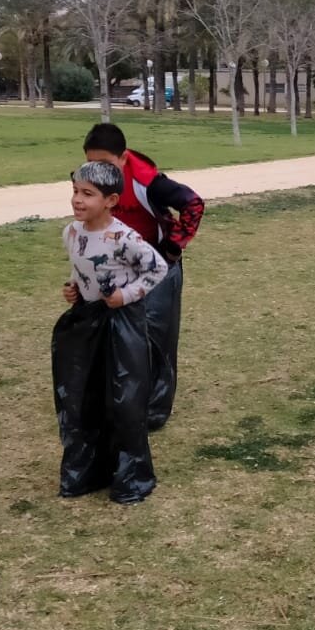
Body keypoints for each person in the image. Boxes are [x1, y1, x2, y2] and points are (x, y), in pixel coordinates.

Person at [53, 161, 168, 503]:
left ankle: (130, 476)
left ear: (111, 200)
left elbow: (156, 269)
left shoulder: (125, 239)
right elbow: (81, 266)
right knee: (84, 394)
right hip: (87, 322)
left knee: (123, 398)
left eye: (87, 194)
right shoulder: (71, 233)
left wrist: (125, 296)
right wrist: (74, 289)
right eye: (75, 191)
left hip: (121, 324)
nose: (77, 200)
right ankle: (89, 470)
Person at [82, 123, 205, 431]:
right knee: (115, 335)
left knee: (156, 338)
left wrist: (171, 249)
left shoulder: (146, 181)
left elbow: (193, 203)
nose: (98, 171)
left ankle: (154, 411)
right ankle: (117, 401)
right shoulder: (88, 180)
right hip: (116, 265)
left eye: (106, 164)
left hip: (157, 266)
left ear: (123, 158)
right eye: (91, 163)